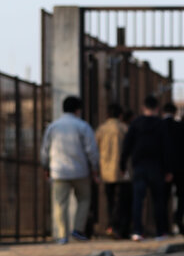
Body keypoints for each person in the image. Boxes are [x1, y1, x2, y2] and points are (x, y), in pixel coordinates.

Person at [40, 95, 99, 244]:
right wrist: (95, 168)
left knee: (60, 203)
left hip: (59, 170)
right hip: (80, 170)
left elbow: (45, 150)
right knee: (84, 199)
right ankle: (78, 229)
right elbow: (91, 150)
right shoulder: (83, 126)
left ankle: (62, 235)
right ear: (78, 110)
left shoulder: (53, 127)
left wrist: (45, 166)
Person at [121, 95, 173, 241]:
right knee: (158, 200)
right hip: (157, 167)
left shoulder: (136, 124)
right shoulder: (161, 124)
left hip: (139, 166)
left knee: (138, 200)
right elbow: (167, 148)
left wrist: (123, 164)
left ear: (143, 108)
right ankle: (160, 231)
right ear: (157, 108)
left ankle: (137, 231)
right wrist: (168, 169)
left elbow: (127, 145)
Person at [95, 102, 130, 238]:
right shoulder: (124, 128)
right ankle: (118, 226)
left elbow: (95, 148)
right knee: (122, 201)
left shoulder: (101, 129)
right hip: (123, 171)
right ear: (120, 115)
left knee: (110, 200)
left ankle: (111, 225)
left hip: (106, 170)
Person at [162, 101, 184, 238]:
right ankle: (178, 218)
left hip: (163, 170)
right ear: (175, 113)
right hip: (181, 169)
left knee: (162, 199)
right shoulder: (182, 127)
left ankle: (163, 228)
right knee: (182, 197)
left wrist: (166, 169)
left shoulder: (159, 126)